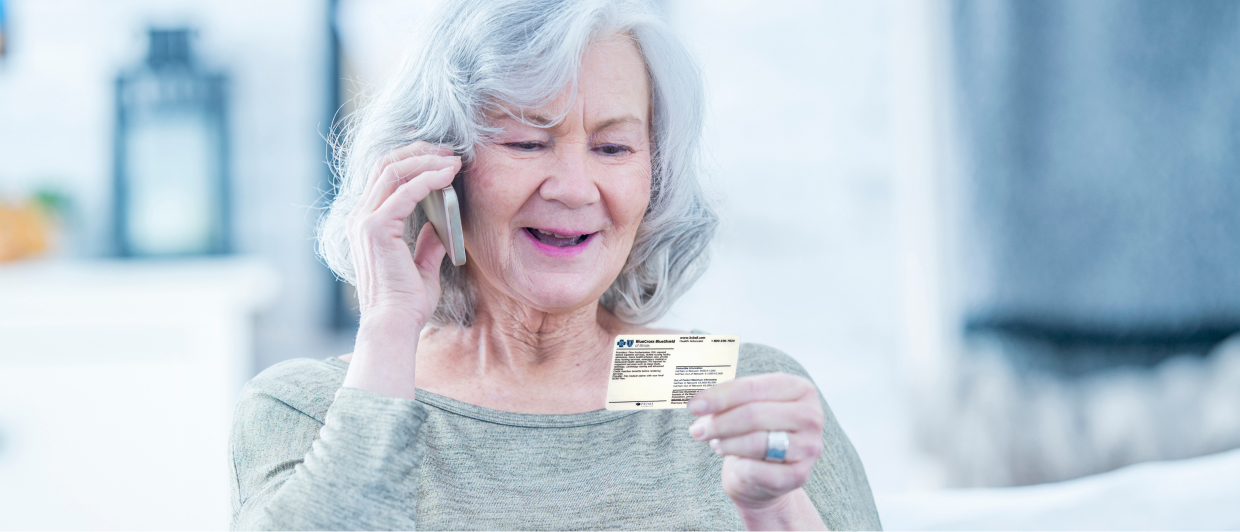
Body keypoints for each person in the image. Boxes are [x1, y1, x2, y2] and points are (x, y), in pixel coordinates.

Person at [228, 0, 881, 529]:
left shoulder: (730, 387)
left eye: (613, 147)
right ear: (437, 172)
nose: (573, 187)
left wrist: (773, 511)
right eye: (527, 141)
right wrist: (389, 327)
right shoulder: (312, 406)